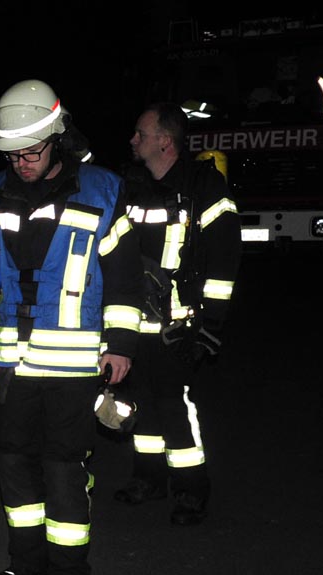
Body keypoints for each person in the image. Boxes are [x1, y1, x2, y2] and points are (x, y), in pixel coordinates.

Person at [0, 80, 143, 575]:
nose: (21, 162)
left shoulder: (104, 191)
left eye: (32, 151)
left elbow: (126, 278)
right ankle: (26, 563)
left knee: (63, 470)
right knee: (13, 466)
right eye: (12, 152)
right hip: (5, 363)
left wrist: (123, 344)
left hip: (72, 365)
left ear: (57, 139)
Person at [113, 101, 240, 525]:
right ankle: (148, 478)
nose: (133, 140)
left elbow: (224, 266)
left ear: (165, 141)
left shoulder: (204, 188)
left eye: (141, 134)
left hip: (177, 326)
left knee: (173, 407)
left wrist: (210, 331)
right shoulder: (130, 187)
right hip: (132, 323)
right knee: (140, 403)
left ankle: (191, 489)